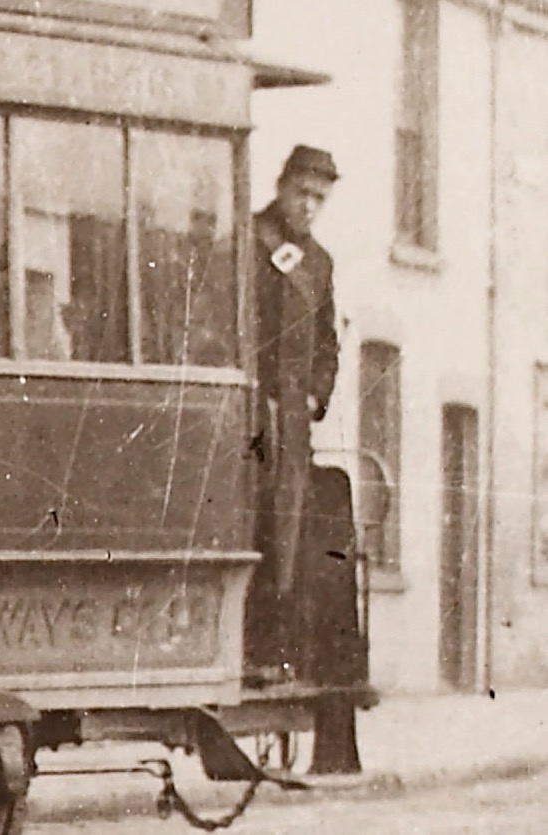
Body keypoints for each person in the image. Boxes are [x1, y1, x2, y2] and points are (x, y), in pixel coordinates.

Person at [245, 145, 340, 678]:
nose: (308, 206)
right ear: (282, 187)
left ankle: (274, 653)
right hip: (250, 414)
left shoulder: (320, 262)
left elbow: (328, 346)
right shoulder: (248, 242)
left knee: (288, 536)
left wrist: (313, 396)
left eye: (319, 199)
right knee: (251, 525)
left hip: (294, 425)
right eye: (303, 193)